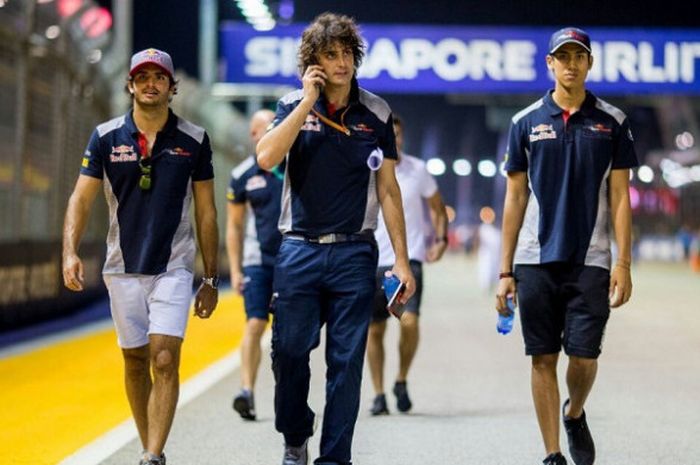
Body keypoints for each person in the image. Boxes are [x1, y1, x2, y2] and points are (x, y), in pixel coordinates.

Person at [256, 12, 415, 465]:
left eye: (347, 53)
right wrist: (308, 102)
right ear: (314, 61)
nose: (341, 62)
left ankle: (334, 459)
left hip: (354, 253)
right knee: (289, 353)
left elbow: (388, 188)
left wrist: (400, 261)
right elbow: (266, 158)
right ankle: (295, 434)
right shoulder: (292, 105)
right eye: (330, 54)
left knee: (346, 367)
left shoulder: (377, 113)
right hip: (298, 250)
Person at [62, 48, 219, 465]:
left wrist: (210, 278)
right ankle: (152, 444)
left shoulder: (195, 139)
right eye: (142, 76)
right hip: (121, 267)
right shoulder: (105, 136)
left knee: (164, 355)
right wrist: (69, 252)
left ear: (171, 87)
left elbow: (206, 211)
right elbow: (81, 197)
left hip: (174, 266)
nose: (151, 83)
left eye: (159, 77)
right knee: (134, 360)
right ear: (130, 85)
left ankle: (151, 454)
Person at [496, 27, 637, 465]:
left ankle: (574, 411)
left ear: (589, 64)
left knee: (583, 356)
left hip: (591, 259)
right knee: (542, 357)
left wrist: (624, 262)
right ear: (550, 64)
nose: (571, 63)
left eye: (579, 56)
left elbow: (619, 197)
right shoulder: (524, 123)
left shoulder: (612, 121)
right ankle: (553, 453)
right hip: (534, 260)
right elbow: (515, 198)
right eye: (563, 56)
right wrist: (504, 272)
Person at [366, 116, 448, 415]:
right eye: (390, 136)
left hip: (407, 258)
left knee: (409, 321)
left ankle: (400, 378)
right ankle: (378, 393)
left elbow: (438, 209)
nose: (395, 141)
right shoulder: (367, 169)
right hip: (372, 260)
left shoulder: (418, 170)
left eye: (398, 135)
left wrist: (441, 239)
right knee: (374, 330)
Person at [226, 109, 281, 420]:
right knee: (256, 323)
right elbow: (233, 226)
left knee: (287, 331)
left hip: (293, 259)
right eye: (267, 128)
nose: (273, 132)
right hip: (257, 260)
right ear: (254, 135)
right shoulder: (243, 174)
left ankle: (285, 392)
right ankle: (246, 390)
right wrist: (235, 270)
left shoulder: (294, 165)